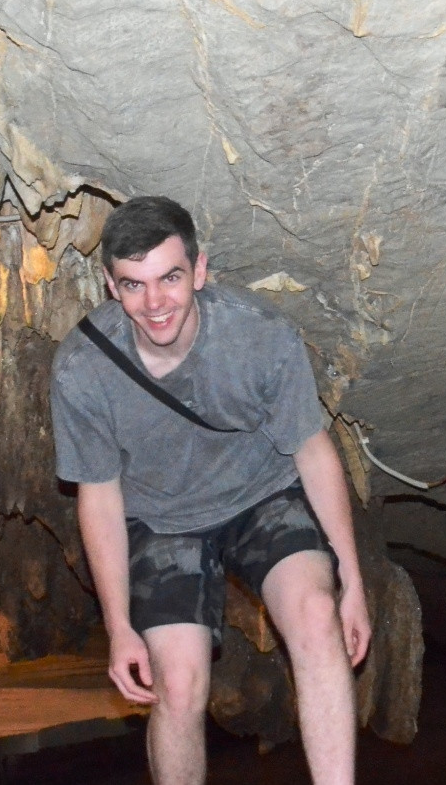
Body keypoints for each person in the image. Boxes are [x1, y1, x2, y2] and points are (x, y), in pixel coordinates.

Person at [51, 196, 371, 785]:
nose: (154, 303)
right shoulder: (82, 370)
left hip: (260, 494)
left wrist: (350, 581)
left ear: (200, 270)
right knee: (178, 684)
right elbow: (99, 498)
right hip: (160, 519)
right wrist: (119, 626)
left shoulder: (259, 336)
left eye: (170, 278)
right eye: (134, 285)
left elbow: (313, 452)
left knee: (316, 616)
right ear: (111, 287)